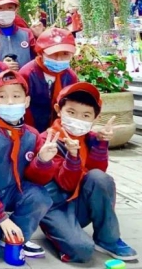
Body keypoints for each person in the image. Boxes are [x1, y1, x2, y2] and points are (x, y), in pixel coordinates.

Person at [39, 82, 137, 262]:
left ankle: (108, 239)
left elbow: (97, 177)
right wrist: (72, 156)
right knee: (82, 251)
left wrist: (101, 144)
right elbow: (66, 184)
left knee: (100, 178)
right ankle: (58, 234)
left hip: (79, 203)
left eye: (86, 115)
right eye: (71, 112)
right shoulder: (47, 140)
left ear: (95, 117)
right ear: (59, 110)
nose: (78, 119)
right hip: (55, 207)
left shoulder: (90, 138)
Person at [0, 70, 57, 261]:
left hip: (15, 193)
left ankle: (17, 236)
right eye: (2, 96)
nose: (9, 102)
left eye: (16, 96)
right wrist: (1, 217)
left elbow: (37, 180)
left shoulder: (32, 135)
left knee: (40, 197)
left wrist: (43, 161)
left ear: (27, 101)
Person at [21, 28, 78, 133]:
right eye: (53, 53)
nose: (59, 59)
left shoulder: (70, 76)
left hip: (61, 130)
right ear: (41, 53)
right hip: (32, 129)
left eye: (65, 54)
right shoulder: (27, 74)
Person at [0, 0, 36, 70]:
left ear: (16, 10)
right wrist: (1, 66)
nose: (5, 12)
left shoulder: (27, 34)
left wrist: (39, 36)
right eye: (0, 8)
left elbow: (39, 59)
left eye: (10, 8)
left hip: (24, 78)